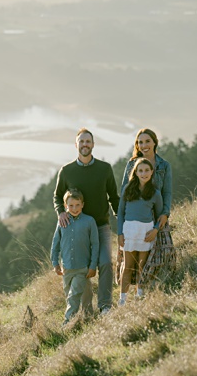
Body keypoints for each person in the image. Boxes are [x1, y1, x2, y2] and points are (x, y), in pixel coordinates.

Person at [53, 128, 119, 315]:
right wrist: (60, 213)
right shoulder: (66, 171)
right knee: (82, 270)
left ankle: (105, 306)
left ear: (93, 145)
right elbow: (57, 197)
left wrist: (121, 220)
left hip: (100, 225)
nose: (85, 145)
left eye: (88, 141)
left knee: (105, 263)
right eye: (81, 142)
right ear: (76, 145)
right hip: (76, 229)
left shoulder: (104, 169)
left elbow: (114, 197)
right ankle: (87, 310)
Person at [117, 128, 174, 291]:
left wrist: (165, 214)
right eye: (140, 142)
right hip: (134, 222)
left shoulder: (164, 166)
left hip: (157, 218)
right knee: (130, 261)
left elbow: (167, 192)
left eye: (147, 141)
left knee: (161, 254)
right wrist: (122, 228)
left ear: (154, 142)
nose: (144, 145)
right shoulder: (131, 165)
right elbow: (124, 193)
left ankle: (157, 288)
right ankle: (127, 294)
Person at [116, 157, 163, 306]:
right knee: (128, 266)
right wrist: (120, 233)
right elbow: (121, 213)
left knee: (143, 265)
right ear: (135, 172)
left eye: (147, 170)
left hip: (146, 231)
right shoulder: (128, 189)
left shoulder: (155, 193)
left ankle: (139, 296)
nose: (144, 173)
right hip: (129, 230)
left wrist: (155, 230)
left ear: (151, 172)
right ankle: (122, 299)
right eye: (140, 170)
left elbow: (160, 215)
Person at [50, 189, 99, 325]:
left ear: (83, 204)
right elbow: (55, 244)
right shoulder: (62, 222)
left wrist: (93, 265)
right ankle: (88, 319)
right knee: (80, 295)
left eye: (77, 205)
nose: (74, 208)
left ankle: (67, 323)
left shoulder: (89, 221)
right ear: (66, 206)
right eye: (71, 205)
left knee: (74, 296)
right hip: (67, 268)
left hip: (83, 267)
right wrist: (55, 263)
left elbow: (95, 245)